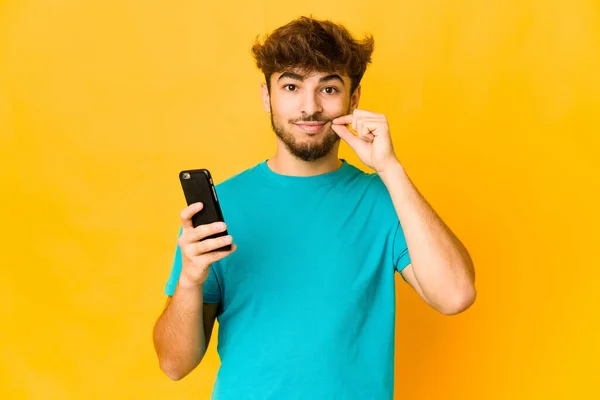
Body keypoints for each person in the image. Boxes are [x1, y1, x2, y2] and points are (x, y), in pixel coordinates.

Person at [152, 15, 476, 399]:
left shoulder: (384, 199)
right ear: (266, 96)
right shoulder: (222, 207)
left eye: (329, 88)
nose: (310, 107)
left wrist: (390, 169)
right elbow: (175, 364)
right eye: (291, 86)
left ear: (353, 100)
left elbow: (455, 295)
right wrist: (189, 281)